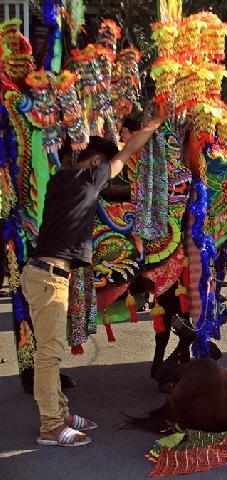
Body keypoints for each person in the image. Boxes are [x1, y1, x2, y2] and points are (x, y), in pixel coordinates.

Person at [20, 108, 166, 447]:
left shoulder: (61, 180)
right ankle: (51, 426)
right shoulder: (88, 179)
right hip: (48, 278)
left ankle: (60, 410)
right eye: (108, 170)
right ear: (97, 163)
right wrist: (154, 122)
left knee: (50, 351)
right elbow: (128, 152)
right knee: (50, 354)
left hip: (45, 275)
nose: (110, 179)